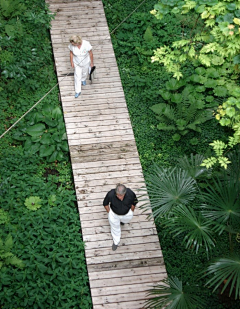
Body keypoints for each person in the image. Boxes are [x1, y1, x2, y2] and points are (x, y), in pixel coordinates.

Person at [103, 184, 138, 251]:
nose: (119, 197)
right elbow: (105, 203)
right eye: (117, 195)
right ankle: (116, 241)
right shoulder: (111, 194)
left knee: (126, 220)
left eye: (121, 195)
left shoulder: (130, 193)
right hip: (114, 214)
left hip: (127, 213)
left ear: (124, 193)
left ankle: (122, 221)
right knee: (115, 228)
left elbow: (135, 202)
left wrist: (131, 211)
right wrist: (109, 212)